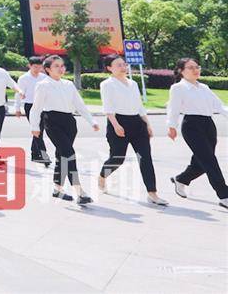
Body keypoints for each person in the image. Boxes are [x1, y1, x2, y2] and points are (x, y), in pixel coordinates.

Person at [97, 54, 166, 205]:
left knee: (145, 158)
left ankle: (152, 193)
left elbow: (139, 106)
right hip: (119, 122)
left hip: (137, 123)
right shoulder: (107, 84)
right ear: (109, 68)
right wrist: (116, 125)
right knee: (117, 158)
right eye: (119, 65)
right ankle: (102, 176)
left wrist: (147, 124)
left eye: (124, 64)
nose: (123, 67)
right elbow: (108, 108)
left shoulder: (133, 83)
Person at [29, 55, 98, 205]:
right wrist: (34, 127)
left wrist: (91, 121)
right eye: (56, 66)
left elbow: (79, 104)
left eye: (62, 66)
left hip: (69, 123)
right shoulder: (43, 85)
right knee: (69, 153)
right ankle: (79, 191)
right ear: (47, 69)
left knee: (62, 155)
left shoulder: (68, 84)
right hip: (52, 122)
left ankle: (57, 189)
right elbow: (36, 108)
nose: (61, 69)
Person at [166, 57, 228, 208]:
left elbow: (220, 106)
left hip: (208, 125)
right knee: (209, 161)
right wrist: (171, 126)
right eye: (191, 68)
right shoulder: (178, 88)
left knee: (202, 162)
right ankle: (224, 195)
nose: (195, 70)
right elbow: (173, 108)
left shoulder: (204, 87)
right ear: (181, 71)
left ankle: (181, 179)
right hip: (191, 126)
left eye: (197, 67)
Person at [14, 56, 51, 165]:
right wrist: (17, 109)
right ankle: (44, 155)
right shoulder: (23, 78)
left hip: (43, 106)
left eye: (40, 67)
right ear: (29, 66)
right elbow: (18, 94)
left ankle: (35, 154)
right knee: (37, 130)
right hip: (30, 106)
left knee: (39, 130)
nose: (37, 69)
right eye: (35, 67)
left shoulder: (44, 77)